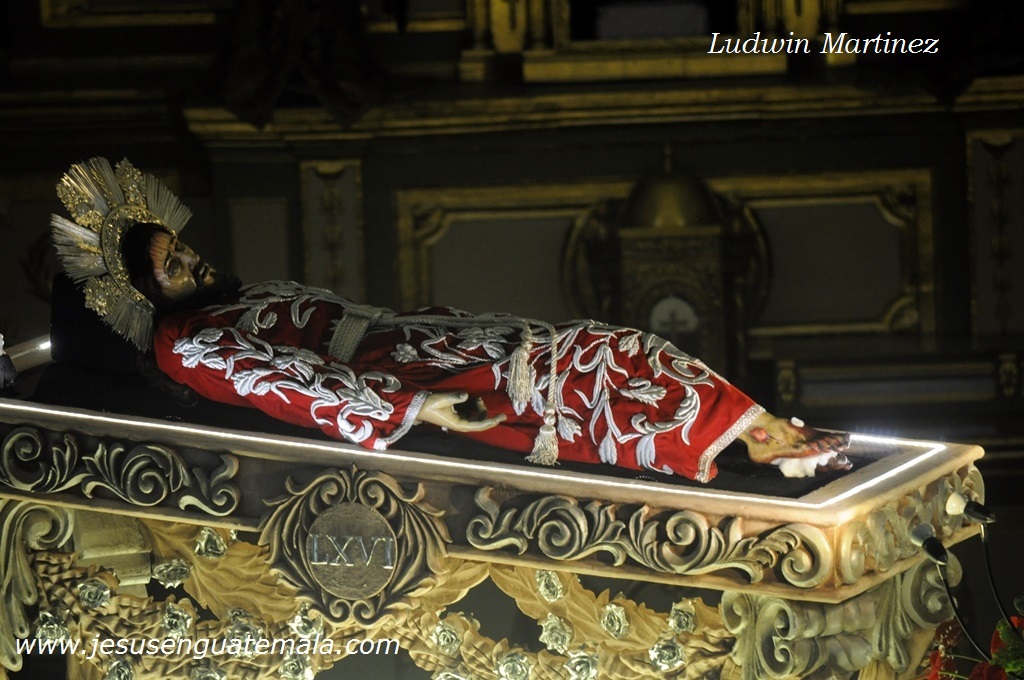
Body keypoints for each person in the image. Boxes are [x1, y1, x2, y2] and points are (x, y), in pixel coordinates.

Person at [52, 158, 850, 483]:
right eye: (174, 266)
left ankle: (758, 430)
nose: (195, 262)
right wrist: (418, 406)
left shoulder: (223, 300)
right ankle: (759, 443)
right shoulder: (187, 341)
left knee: (615, 351)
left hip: (438, 343)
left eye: (184, 248)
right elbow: (294, 384)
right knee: (602, 377)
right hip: (419, 380)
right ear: (142, 296)